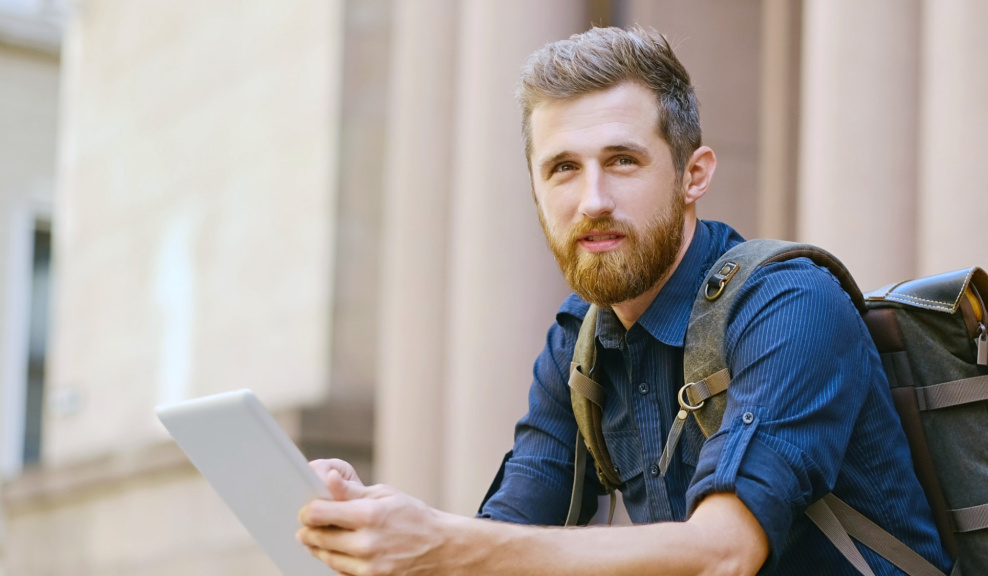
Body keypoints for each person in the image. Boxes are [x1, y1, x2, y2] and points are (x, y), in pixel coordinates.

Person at [297, 26, 952, 575]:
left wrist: (441, 541)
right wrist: (366, 526)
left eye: (622, 161)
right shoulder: (580, 341)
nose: (593, 201)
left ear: (693, 174)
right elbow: (507, 537)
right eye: (563, 168)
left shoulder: (790, 305)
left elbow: (722, 554)